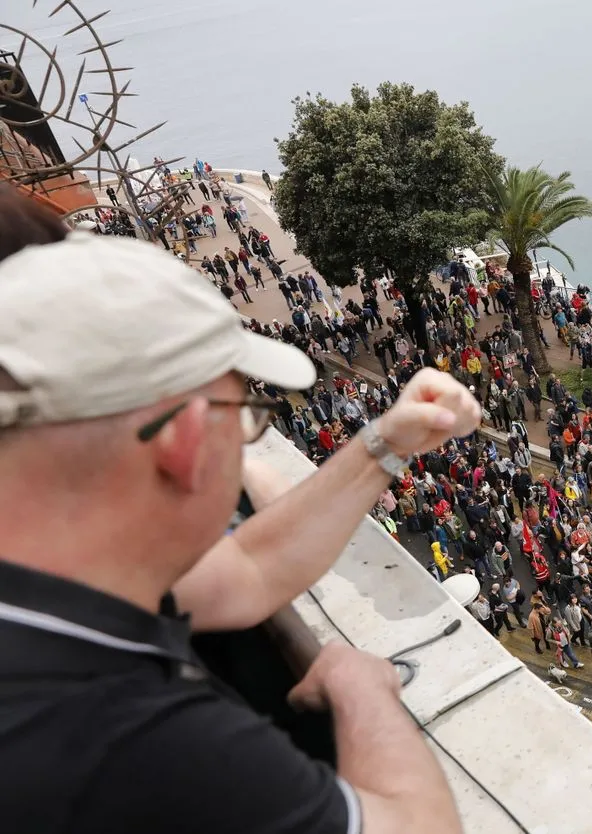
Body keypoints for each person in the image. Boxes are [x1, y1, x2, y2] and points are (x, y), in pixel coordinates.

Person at [0, 202, 482, 833]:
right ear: (188, 440)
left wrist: (386, 444)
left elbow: (249, 569)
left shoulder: (56, 587)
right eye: (246, 411)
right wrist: (361, 689)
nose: (248, 437)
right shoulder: (131, 737)